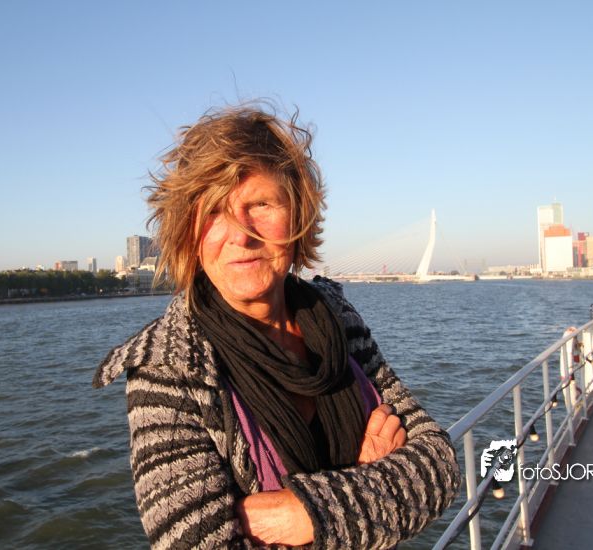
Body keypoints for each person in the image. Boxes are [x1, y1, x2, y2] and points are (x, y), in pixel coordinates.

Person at [93, 104, 460, 548]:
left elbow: (439, 465)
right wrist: (371, 482)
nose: (240, 234)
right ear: (188, 233)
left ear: (298, 215)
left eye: (261, 205)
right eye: (213, 212)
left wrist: (308, 513)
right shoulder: (168, 367)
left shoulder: (336, 318)